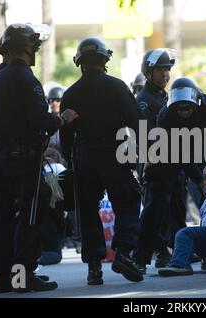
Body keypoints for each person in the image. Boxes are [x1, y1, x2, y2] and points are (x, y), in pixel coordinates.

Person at [0, 23, 78, 293]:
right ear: (27, 47)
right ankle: (22, 277)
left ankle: (2, 278)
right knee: (30, 214)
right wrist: (62, 119)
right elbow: (42, 121)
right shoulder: (25, 78)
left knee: (3, 216)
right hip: (20, 160)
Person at [60, 37, 144, 285]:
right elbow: (136, 121)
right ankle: (124, 253)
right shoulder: (117, 86)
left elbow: (65, 135)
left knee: (88, 212)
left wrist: (71, 161)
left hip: (84, 157)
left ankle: (94, 268)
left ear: (80, 63)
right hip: (115, 154)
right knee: (128, 200)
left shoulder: (70, 93)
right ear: (104, 60)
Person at [134, 77, 206, 273]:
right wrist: (199, 179)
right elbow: (178, 156)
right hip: (174, 150)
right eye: (180, 109)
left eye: (188, 108)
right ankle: (140, 258)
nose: (184, 112)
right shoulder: (165, 116)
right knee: (157, 200)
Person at [136, 49, 180, 269]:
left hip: (173, 162)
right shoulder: (144, 100)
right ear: (149, 72)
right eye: (161, 70)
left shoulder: (164, 97)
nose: (165, 74)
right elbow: (147, 135)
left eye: (168, 70)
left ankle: (178, 249)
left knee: (174, 208)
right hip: (157, 164)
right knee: (156, 210)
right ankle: (152, 253)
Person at [47, 86, 65, 153]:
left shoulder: (69, 120)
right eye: (51, 100)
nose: (54, 103)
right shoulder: (46, 121)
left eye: (58, 100)